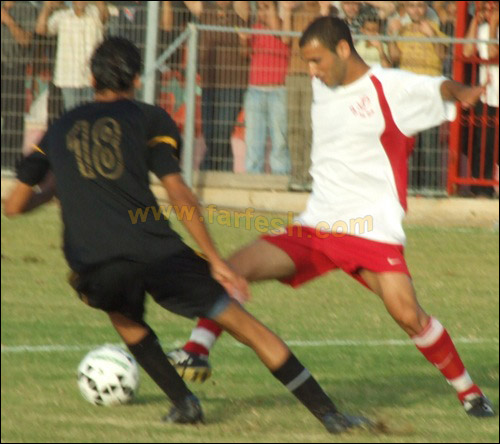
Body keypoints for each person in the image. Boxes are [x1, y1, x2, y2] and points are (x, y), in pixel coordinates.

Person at [3, 36, 372, 434]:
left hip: (93, 260)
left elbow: (14, 205)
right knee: (246, 327)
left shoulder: (59, 127)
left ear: (92, 78)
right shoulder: (148, 118)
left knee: (124, 318)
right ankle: (330, 416)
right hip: (155, 250)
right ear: (137, 79)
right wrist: (215, 260)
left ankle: (184, 403)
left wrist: (52, 190)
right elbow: (178, 191)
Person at [167, 17, 496, 419]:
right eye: (307, 62)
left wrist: (462, 92)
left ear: (343, 49)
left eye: (317, 60)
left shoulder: (388, 86)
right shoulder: (323, 86)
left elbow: (438, 87)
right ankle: (196, 349)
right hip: (316, 225)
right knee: (232, 269)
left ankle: (470, 393)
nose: (312, 71)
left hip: (369, 230)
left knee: (408, 315)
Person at [242, 0, 291, 175]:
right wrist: (243, 41)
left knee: (280, 139)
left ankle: (280, 175)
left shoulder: (284, 27)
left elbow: (285, 38)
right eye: (260, 8)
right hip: (255, 90)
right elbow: (245, 54)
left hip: (278, 91)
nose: (262, 12)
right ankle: (252, 175)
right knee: (253, 138)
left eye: (267, 7)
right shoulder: (255, 28)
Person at [35, 1, 108, 111]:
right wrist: (46, 8)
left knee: (92, 114)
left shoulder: (95, 13)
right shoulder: (62, 16)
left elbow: (104, 16)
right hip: (68, 78)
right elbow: (41, 30)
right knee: (73, 114)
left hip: (91, 77)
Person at [463, 1, 499, 198]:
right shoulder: (483, 29)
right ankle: (481, 188)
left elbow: (493, 53)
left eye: (492, 9)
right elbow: (467, 52)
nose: (489, 13)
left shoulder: (491, 29)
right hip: (487, 95)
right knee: (483, 143)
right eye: (485, 10)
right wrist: (475, 22)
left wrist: (493, 26)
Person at [1, 1, 38, 166]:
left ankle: (9, 163)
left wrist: (8, 21)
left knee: (13, 117)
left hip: (13, 67)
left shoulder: (27, 8)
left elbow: (25, 40)